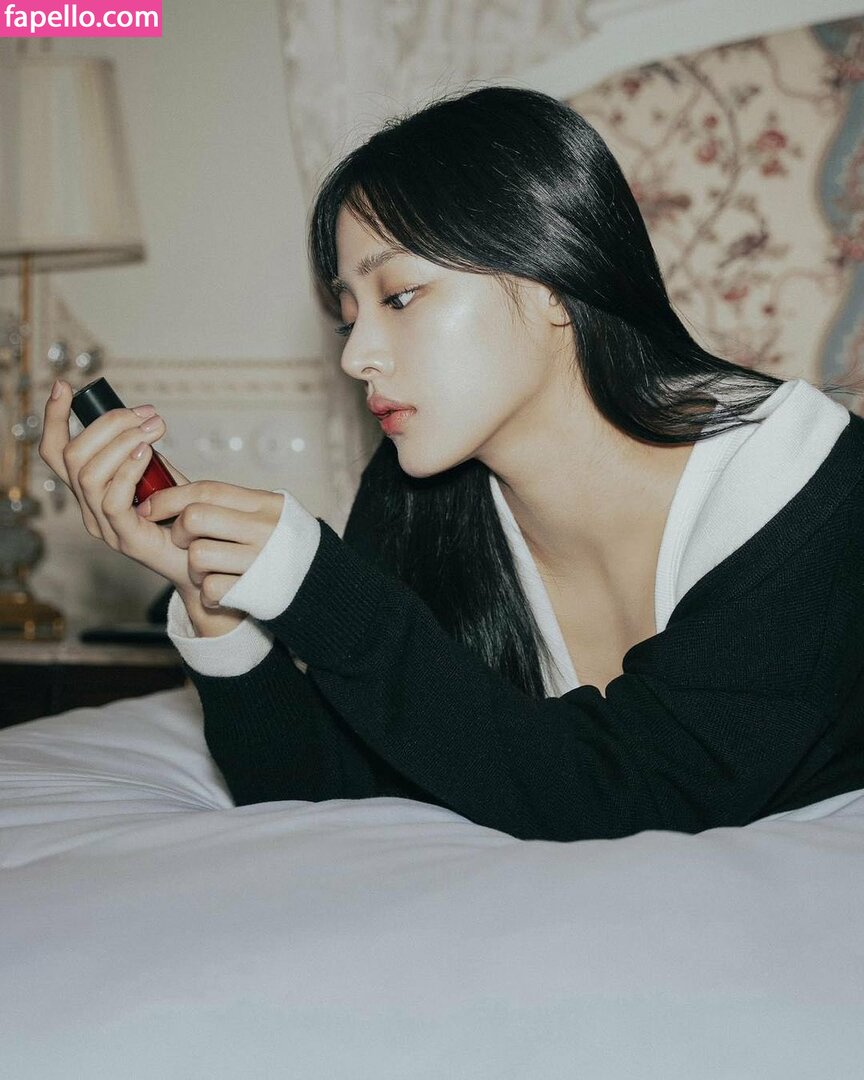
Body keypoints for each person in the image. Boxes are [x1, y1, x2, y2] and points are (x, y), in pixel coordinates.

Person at [40, 85, 864, 842]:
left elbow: (641, 796)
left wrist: (323, 590)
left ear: (551, 279)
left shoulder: (802, 483)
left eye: (400, 297)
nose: (356, 356)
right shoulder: (419, 492)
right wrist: (213, 601)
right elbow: (329, 796)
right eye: (347, 320)